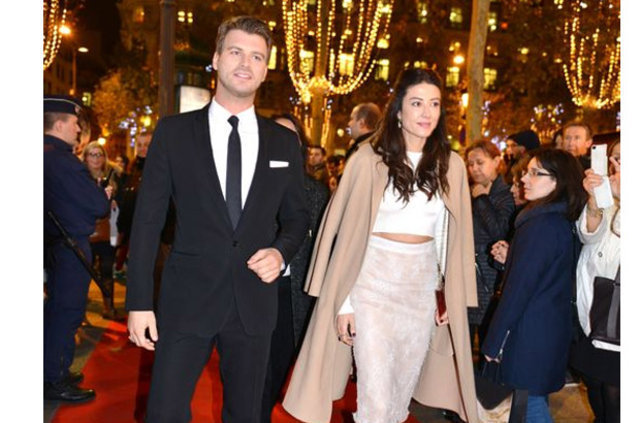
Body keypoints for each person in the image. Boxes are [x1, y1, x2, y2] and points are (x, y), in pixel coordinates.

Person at [125, 16, 308, 423]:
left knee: (246, 414)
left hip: (254, 303)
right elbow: (147, 223)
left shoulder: (283, 143)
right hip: (186, 299)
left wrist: (280, 252)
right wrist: (138, 302)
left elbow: (297, 218)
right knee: (164, 413)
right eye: (236, 52)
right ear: (217, 58)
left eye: (256, 56)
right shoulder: (173, 133)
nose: (245, 63)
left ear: (266, 69)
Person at [283, 68, 479, 423]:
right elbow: (345, 236)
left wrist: (448, 291)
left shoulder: (451, 165)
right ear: (399, 110)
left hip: (420, 290)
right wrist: (344, 301)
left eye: (434, 104)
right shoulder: (368, 159)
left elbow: (455, 238)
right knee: (374, 399)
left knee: (399, 401)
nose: (426, 112)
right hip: (371, 286)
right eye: (416, 103)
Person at [482, 148, 588, 422]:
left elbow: (519, 290)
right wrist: (512, 259)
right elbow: (545, 273)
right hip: (545, 330)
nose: (523, 179)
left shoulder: (541, 224)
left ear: (557, 181)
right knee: (530, 402)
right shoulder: (558, 219)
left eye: (535, 173)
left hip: (529, 332)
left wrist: (494, 342)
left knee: (529, 405)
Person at [260, 113, 330, 423]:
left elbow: (322, 250)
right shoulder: (246, 185)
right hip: (250, 292)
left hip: (291, 295)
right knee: (246, 373)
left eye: (291, 138)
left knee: (275, 372)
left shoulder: (315, 192)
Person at [44, 95, 111, 402]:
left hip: (57, 244)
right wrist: (102, 195)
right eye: (74, 122)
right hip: (70, 246)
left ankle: (52, 369)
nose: (78, 129)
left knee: (56, 309)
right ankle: (54, 378)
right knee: (67, 311)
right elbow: (98, 206)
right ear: (59, 124)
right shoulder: (63, 161)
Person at [569, 139, 620, 423]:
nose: (614, 165)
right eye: (613, 158)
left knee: (616, 397)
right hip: (592, 305)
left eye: (622, 159)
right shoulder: (606, 193)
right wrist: (594, 200)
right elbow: (587, 235)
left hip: (620, 316)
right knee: (595, 386)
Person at [465, 140, 515, 350]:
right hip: (468, 275)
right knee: (464, 341)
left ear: (496, 161)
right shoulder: (467, 191)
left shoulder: (507, 194)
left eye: (480, 162)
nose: (474, 168)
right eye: (470, 164)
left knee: (490, 338)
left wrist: (482, 200)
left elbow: (500, 231)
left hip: (490, 277)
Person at [82, 141, 122, 319]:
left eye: (99, 154)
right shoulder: (80, 178)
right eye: (92, 154)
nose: (96, 158)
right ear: (85, 157)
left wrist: (115, 202)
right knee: (84, 271)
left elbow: (123, 202)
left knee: (107, 269)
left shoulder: (113, 177)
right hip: (86, 232)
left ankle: (109, 307)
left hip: (107, 232)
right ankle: (80, 309)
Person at [114, 132, 152, 275]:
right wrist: (121, 228)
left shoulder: (160, 168)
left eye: (147, 145)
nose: (142, 148)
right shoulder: (132, 170)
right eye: (140, 145)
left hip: (151, 230)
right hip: (132, 230)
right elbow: (127, 201)